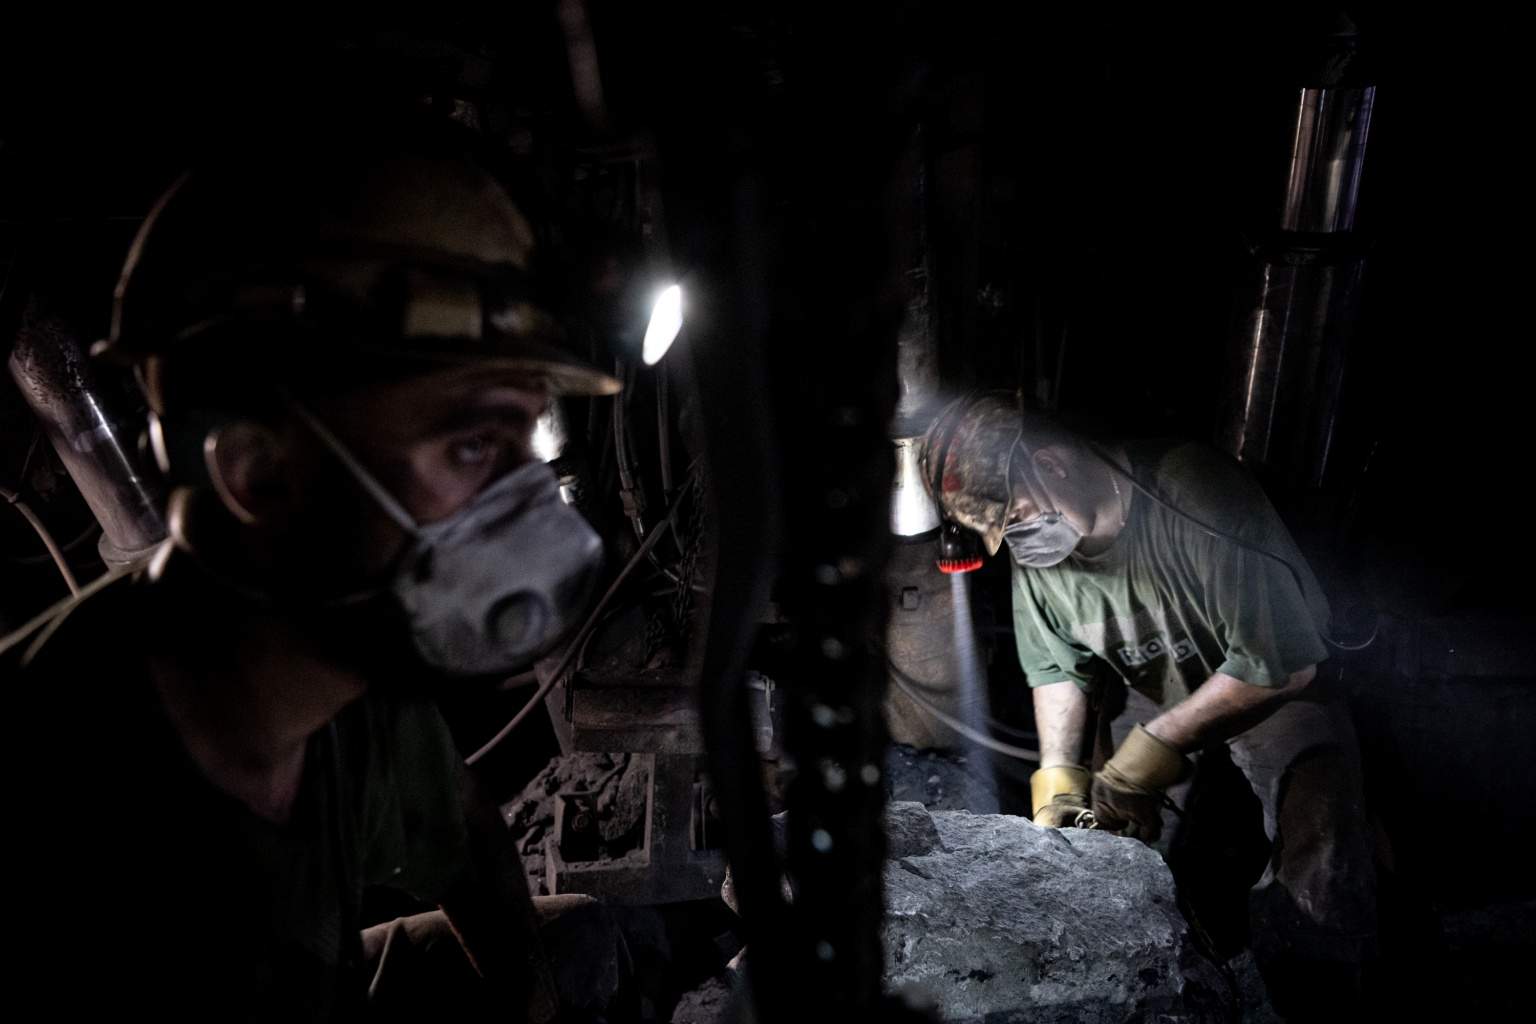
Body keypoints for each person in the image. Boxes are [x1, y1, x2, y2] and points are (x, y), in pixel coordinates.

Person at [2, 117, 631, 1021]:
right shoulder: (73, 803)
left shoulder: (353, 668)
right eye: (471, 445)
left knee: (579, 943)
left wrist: (532, 1006)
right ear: (258, 472)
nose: (527, 500)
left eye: (522, 442)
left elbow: (463, 831)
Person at [918, 391, 1377, 1019]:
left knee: (1324, 853)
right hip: (1151, 689)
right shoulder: (1046, 555)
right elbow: (1056, 669)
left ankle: (1318, 1003)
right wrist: (1060, 786)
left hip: (1272, 683)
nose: (1021, 543)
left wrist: (1150, 753)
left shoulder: (1195, 494)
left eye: (1018, 517)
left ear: (1051, 464)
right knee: (1100, 853)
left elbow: (1285, 665)